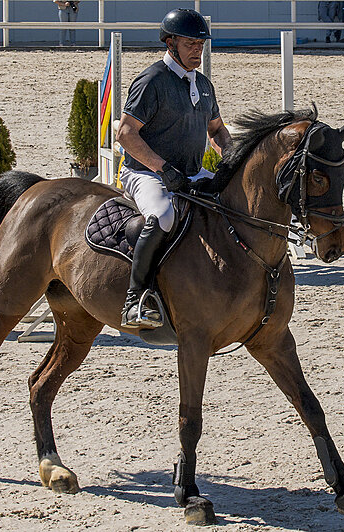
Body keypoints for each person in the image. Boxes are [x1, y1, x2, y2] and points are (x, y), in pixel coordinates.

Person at [115, 8, 231, 329]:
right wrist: (161, 167)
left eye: (201, 43)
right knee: (164, 216)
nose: (198, 49)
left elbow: (217, 130)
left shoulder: (204, 85)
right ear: (170, 43)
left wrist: (231, 157)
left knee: (234, 202)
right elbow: (125, 133)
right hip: (146, 173)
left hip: (190, 173)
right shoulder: (152, 81)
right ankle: (135, 298)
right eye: (191, 43)